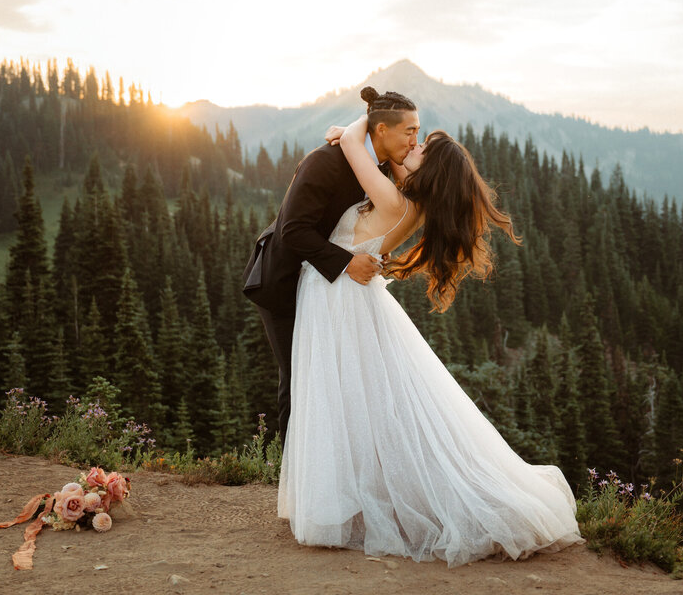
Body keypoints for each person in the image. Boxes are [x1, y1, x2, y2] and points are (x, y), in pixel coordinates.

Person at [278, 90, 583, 567]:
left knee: (337, 394)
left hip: (335, 297)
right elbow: (385, 162)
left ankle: (340, 502)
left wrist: (351, 129)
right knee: (357, 398)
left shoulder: (393, 201)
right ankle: (351, 495)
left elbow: (360, 146)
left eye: (420, 147)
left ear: (429, 172)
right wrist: (376, 146)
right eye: (413, 139)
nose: (411, 149)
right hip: (349, 294)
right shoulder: (407, 203)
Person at [242, 87, 421, 439]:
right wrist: (347, 262)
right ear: (382, 129)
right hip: (283, 281)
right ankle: (292, 477)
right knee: (300, 376)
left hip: (324, 285)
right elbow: (292, 230)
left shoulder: (375, 167)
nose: (415, 141)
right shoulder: (325, 161)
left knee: (330, 377)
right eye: (410, 131)